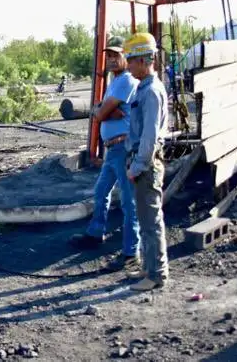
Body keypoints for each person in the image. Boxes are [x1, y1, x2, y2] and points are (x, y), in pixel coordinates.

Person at [69, 40, 140, 271]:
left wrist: (102, 111)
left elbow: (99, 114)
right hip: (112, 149)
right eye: (108, 56)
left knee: (129, 201)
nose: (111, 60)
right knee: (101, 191)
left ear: (126, 57)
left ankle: (131, 253)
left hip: (123, 147)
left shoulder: (126, 80)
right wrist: (103, 110)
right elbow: (99, 110)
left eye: (115, 55)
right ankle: (95, 233)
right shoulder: (115, 82)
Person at [125, 32, 169, 292]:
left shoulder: (151, 91)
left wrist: (137, 166)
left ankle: (156, 275)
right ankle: (149, 267)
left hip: (147, 165)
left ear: (144, 60)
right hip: (142, 163)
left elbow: (149, 138)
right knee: (145, 220)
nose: (128, 65)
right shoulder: (144, 88)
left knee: (151, 223)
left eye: (131, 60)